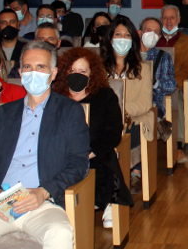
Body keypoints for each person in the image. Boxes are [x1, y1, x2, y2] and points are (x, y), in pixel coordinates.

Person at [0, 42, 88, 249]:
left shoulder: (70, 112)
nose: (34, 73)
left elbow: (78, 164)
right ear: (20, 72)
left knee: (59, 233)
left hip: (42, 200)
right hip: (1, 200)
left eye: (41, 67)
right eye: (28, 67)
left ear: (53, 73)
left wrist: (43, 192)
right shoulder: (5, 114)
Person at [52, 47, 132, 212]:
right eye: (72, 70)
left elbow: (113, 132)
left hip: (95, 153)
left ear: (92, 74)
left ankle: (107, 202)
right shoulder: (55, 97)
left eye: (82, 71)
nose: (76, 75)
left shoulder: (105, 96)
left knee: (105, 161)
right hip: (61, 155)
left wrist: (90, 153)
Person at [102, 15, 155, 188]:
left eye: (127, 36)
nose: (122, 39)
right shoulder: (100, 69)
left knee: (130, 131)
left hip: (133, 118)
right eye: (118, 35)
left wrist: (121, 111)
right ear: (110, 39)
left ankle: (126, 175)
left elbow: (145, 103)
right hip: (106, 120)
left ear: (132, 40)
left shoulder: (143, 68)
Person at [139, 17, 177, 121]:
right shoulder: (128, 55)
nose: (152, 34)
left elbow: (171, 85)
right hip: (129, 101)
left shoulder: (164, 57)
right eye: (148, 30)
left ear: (159, 36)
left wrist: (156, 83)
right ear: (140, 33)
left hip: (152, 104)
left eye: (156, 32)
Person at [156, 5, 188, 93]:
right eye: (165, 18)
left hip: (176, 87)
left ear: (178, 19)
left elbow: (187, 69)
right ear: (161, 20)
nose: (168, 21)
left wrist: (172, 84)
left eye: (172, 18)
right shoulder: (154, 39)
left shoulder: (187, 42)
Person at [0, 9, 24, 76]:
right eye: (4, 22)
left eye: (12, 22)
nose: (8, 26)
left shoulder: (27, 49)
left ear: (18, 25)